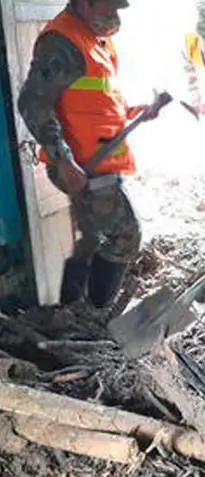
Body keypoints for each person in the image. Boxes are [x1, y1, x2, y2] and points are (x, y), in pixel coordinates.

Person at [17, 0, 163, 309]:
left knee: (92, 238)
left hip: (98, 161)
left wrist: (139, 112)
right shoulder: (62, 43)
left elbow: (98, 105)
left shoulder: (95, 40)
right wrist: (63, 159)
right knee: (125, 237)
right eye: (108, 8)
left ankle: (72, 312)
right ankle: (96, 313)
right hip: (84, 167)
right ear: (85, 3)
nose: (114, 14)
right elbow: (33, 103)